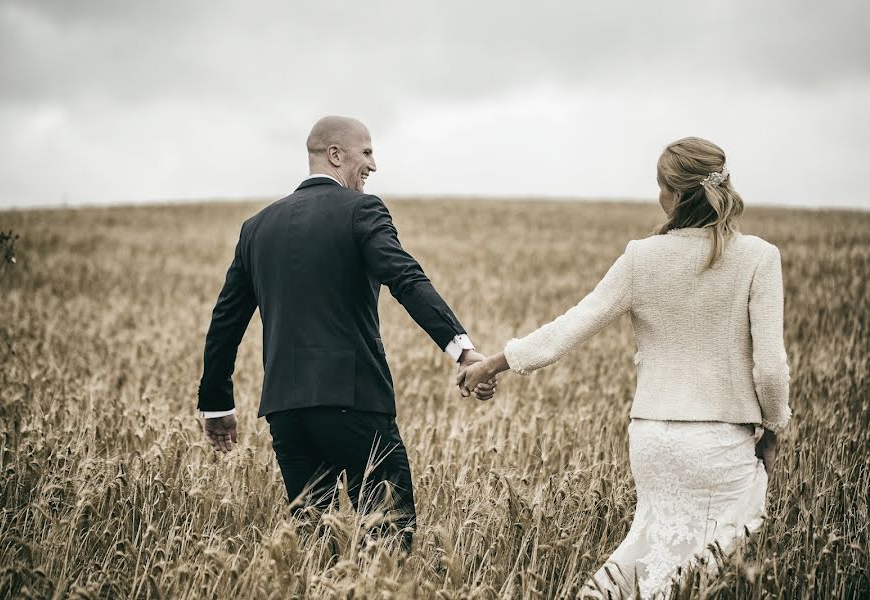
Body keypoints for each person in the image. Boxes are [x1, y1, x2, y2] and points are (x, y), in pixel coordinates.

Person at [458, 137, 791, 598]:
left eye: (661, 186)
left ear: (674, 194)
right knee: (711, 571)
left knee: (651, 553)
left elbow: (568, 329)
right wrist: (773, 427)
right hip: (719, 441)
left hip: (652, 439)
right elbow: (770, 367)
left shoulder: (642, 257)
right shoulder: (759, 257)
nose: (659, 196)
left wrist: (494, 363)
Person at [197, 116, 496, 552]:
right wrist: (463, 350)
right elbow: (406, 279)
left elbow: (226, 321)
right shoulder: (362, 210)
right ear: (335, 155)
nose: (374, 165)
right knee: (389, 541)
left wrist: (216, 403)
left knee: (315, 551)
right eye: (368, 152)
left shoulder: (256, 228)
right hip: (354, 403)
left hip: (287, 412)